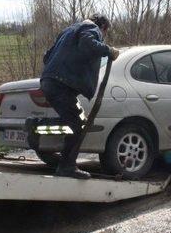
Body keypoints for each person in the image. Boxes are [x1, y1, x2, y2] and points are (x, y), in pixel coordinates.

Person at [40, 14, 119, 179]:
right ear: (103, 28)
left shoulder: (68, 31)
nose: (103, 37)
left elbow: (47, 56)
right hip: (61, 85)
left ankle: (36, 126)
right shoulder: (91, 28)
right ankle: (67, 166)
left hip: (49, 81)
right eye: (104, 34)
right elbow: (88, 44)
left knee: (73, 121)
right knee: (78, 124)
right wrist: (108, 50)